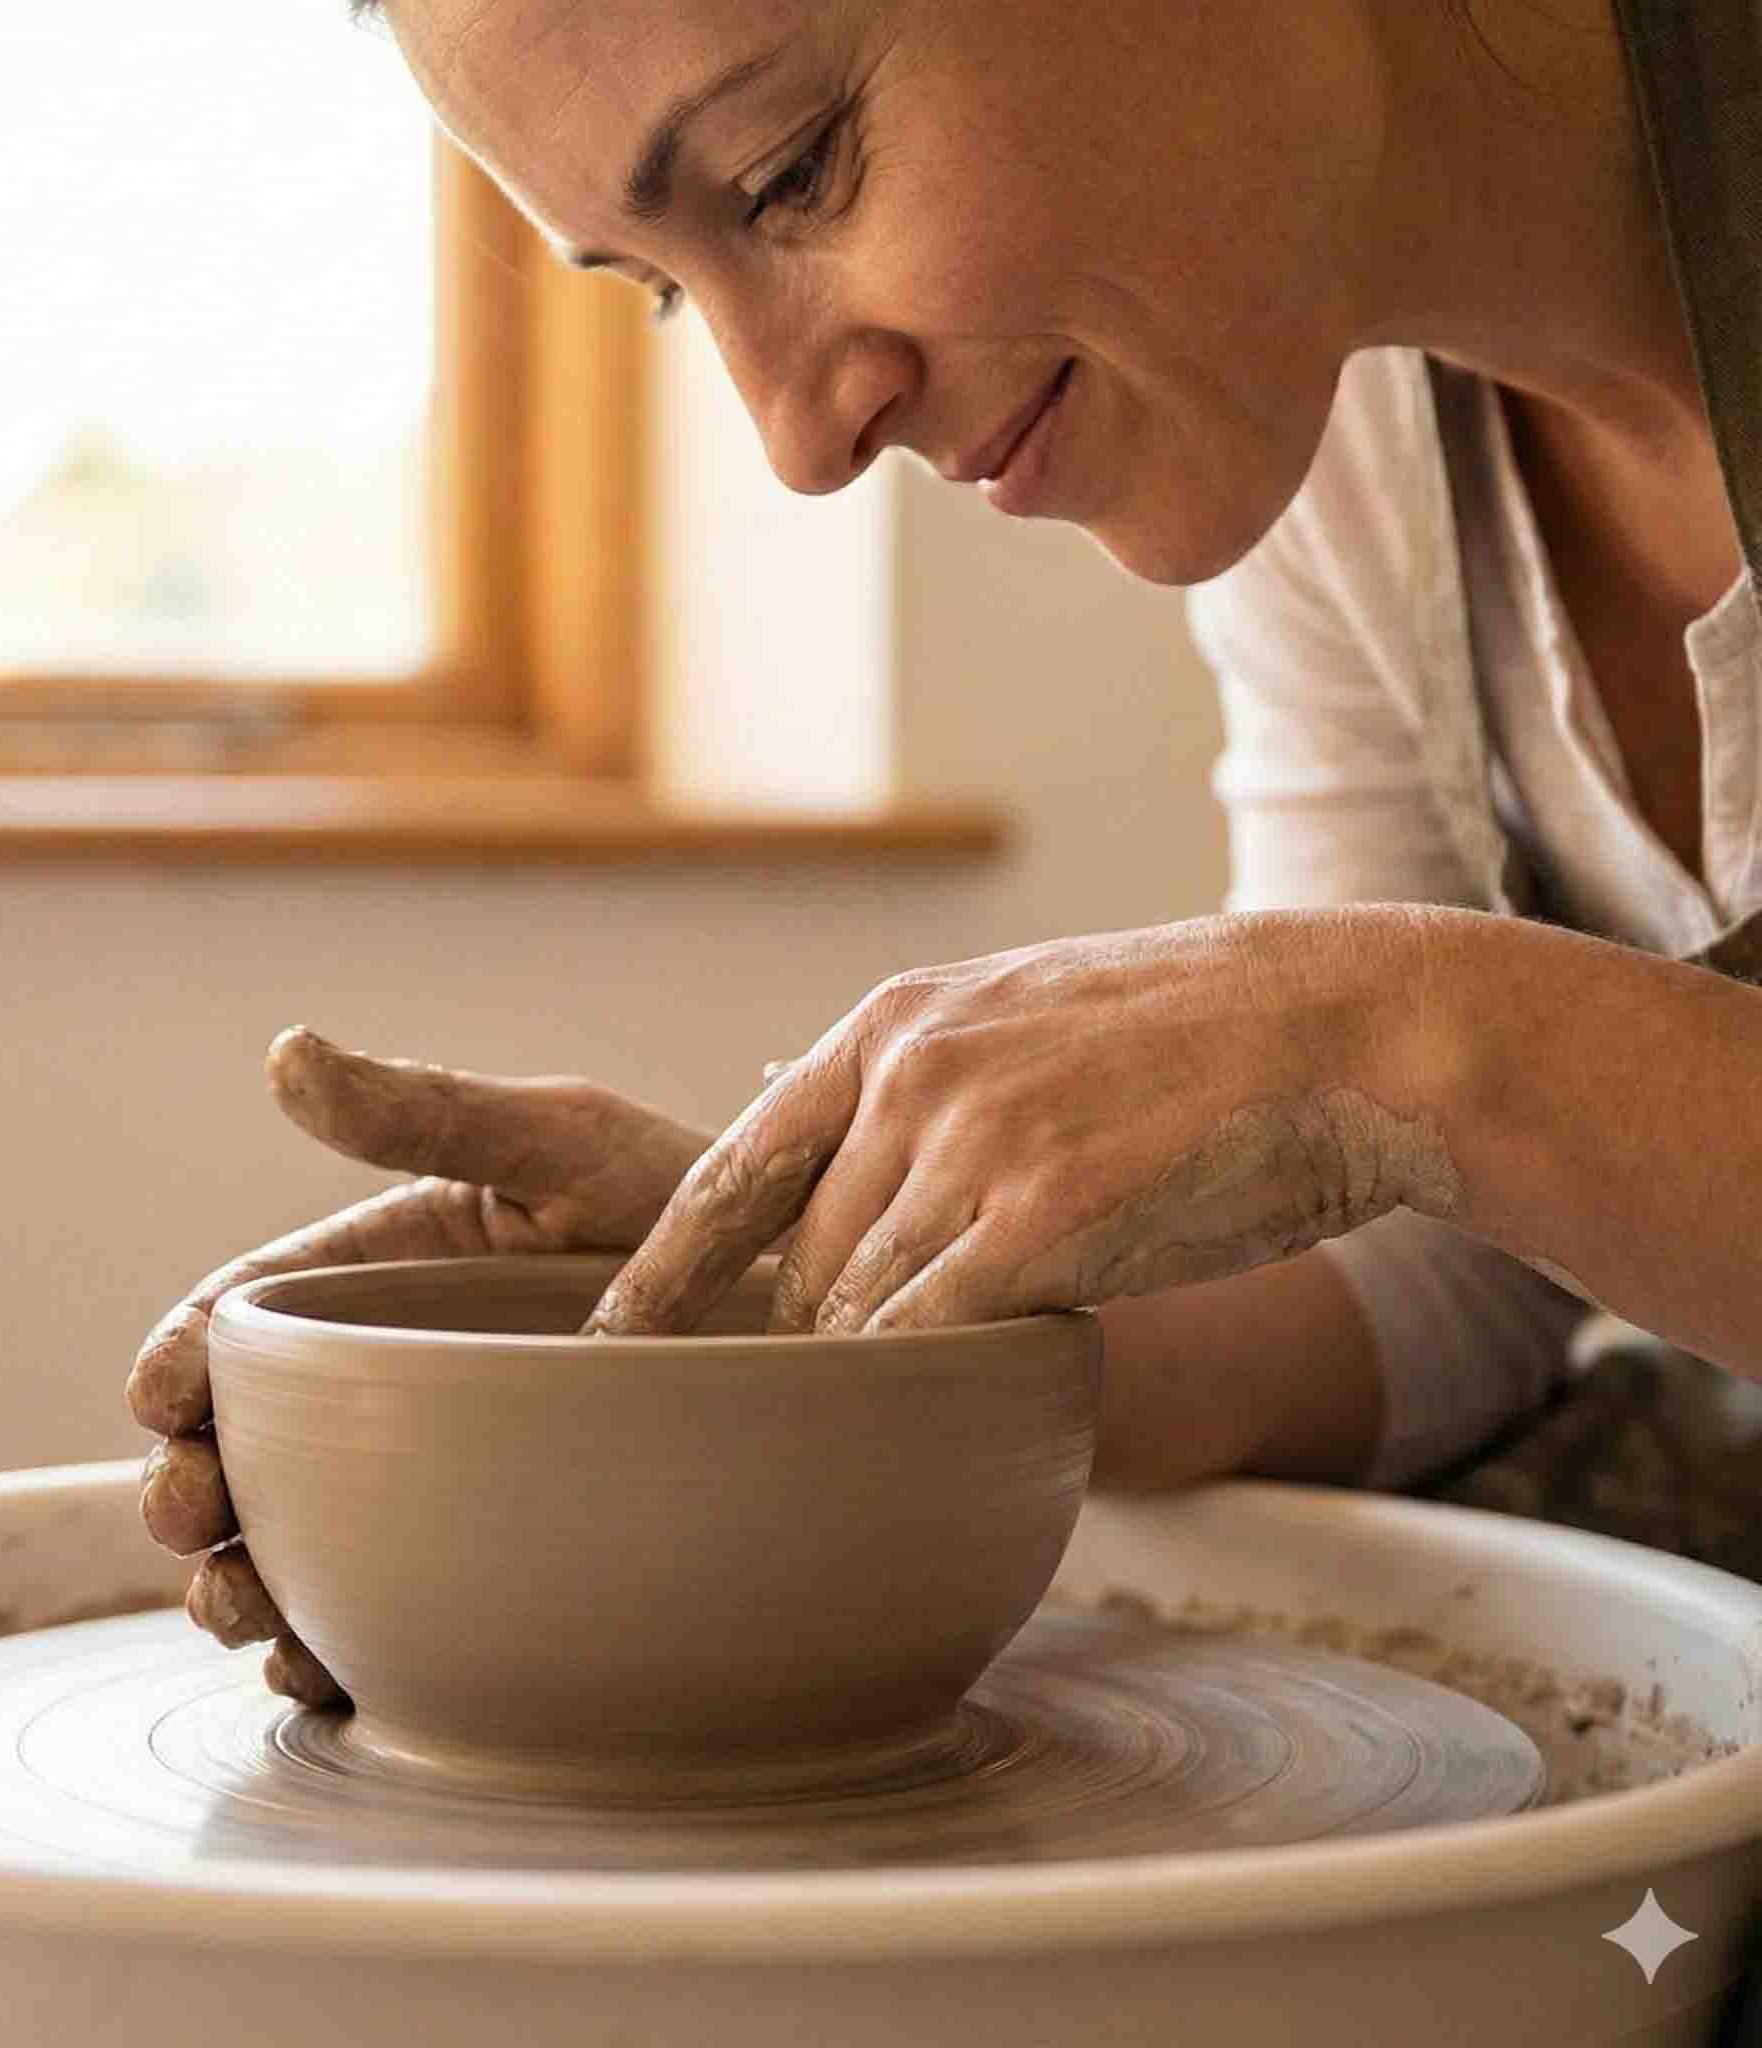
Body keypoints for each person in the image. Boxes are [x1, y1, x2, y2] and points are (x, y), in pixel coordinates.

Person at [129, 0, 1762, 1705]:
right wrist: (817, 1298)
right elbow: (1451, 1260)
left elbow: (1434, 1096)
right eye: (677, 291)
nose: (796, 442)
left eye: (788, 174)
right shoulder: (1325, 395)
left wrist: (1405, 1028)